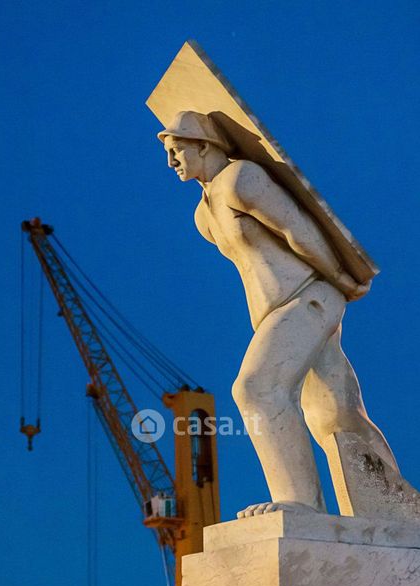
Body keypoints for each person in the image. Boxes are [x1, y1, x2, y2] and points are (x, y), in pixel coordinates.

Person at [158, 111, 398, 517]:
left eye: (177, 149)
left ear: (204, 145)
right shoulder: (204, 216)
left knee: (257, 388)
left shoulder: (241, 178)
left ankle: (300, 503)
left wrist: (341, 277)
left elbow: (296, 228)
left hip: (309, 295)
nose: (171, 161)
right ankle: (395, 511)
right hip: (273, 312)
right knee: (335, 413)